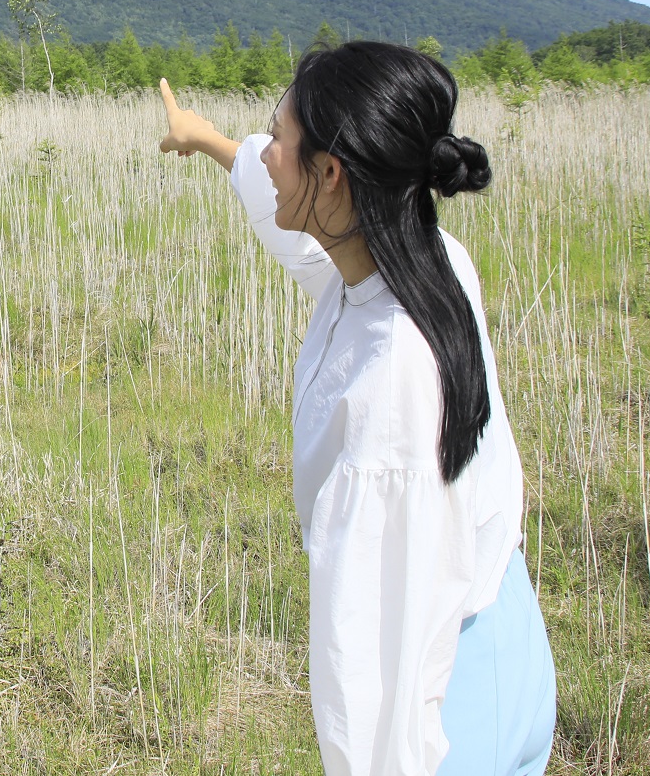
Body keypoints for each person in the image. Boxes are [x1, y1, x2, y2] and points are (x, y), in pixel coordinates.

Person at [156, 41, 555, 776]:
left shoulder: (390, 378)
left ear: (332, 172)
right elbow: (296, 228)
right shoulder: (418, 256)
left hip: (442, 699)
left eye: (278, 137)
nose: (267, 152)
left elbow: (375, 650)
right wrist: (205, 138)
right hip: (504, 635)